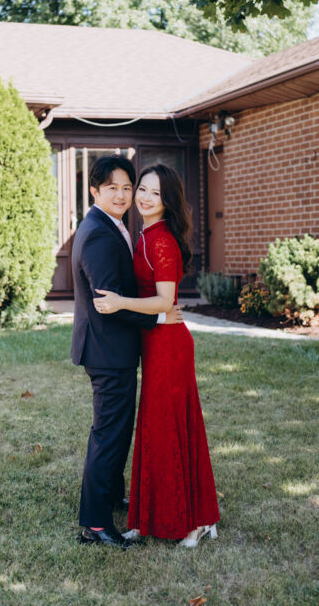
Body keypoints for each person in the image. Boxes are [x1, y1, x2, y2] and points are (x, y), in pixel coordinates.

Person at [94, 163, 221, 547]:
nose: (146, 198)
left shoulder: (161, 240)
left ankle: (195, 521)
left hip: (169, 347)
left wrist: (120, 302)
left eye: (156, 193)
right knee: (153, 430)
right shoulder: (146, 234)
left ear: (168, 201)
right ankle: (146, 517)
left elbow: (166, 300)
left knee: (170, 431)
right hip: (155, 343)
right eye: (143, 190)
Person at [71, 155, 183, 549]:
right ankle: (95, 523)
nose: (121, 195)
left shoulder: (109, 224)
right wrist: (159, 317)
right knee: (109, 435)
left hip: (111, 348)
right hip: (107, 350)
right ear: (94, 191)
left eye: (126, 187)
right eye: (111, 188)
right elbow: (109, 302)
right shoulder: (99, 234)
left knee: (117, 431)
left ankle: (112, 496)